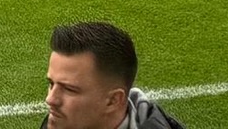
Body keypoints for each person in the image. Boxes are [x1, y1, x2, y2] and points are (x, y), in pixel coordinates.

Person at [42, 20, 187, 129]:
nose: (51, 99)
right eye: (51, 84)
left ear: (113, 100)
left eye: (69, 89)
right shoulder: (62, 122)